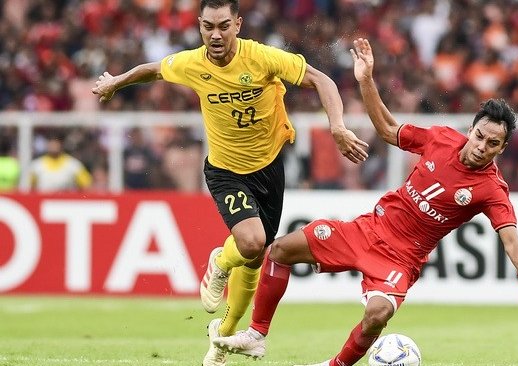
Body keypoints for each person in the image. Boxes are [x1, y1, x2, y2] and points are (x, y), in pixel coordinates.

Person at [212, 38, 518, 365]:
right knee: (279, 251)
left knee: (378, 313)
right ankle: (257, 334)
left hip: (401, 258)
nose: (482, 147)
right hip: (366, 229)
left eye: (492, 144)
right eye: (480, 136)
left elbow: (510, 238)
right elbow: (389, 130)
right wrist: (366, 81)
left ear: (502, 148)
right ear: (471, 129)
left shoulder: (492, 189)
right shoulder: (440, 139)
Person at [91, 1, 368, 366]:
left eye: (223, 26)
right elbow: (153, 70)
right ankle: (220, 262)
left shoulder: (261, 58)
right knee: (251, 243)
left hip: (270, 167)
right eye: (208, 27)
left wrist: (337, 125)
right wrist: (116, 82)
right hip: (225, 170)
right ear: (200, 26)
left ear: (237, 24)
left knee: (255, 258)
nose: (215, 35)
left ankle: (222, 336)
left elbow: (322, 79)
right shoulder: (192, 63)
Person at [28, 133, 93, 192]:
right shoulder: (37, 165)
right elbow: (28, 186)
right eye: (51, 143)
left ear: (61, 144)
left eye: (56, 143)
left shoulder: (73, 164)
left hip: (64, 203)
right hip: (41, 202)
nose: (53, 146)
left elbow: (87, 185)